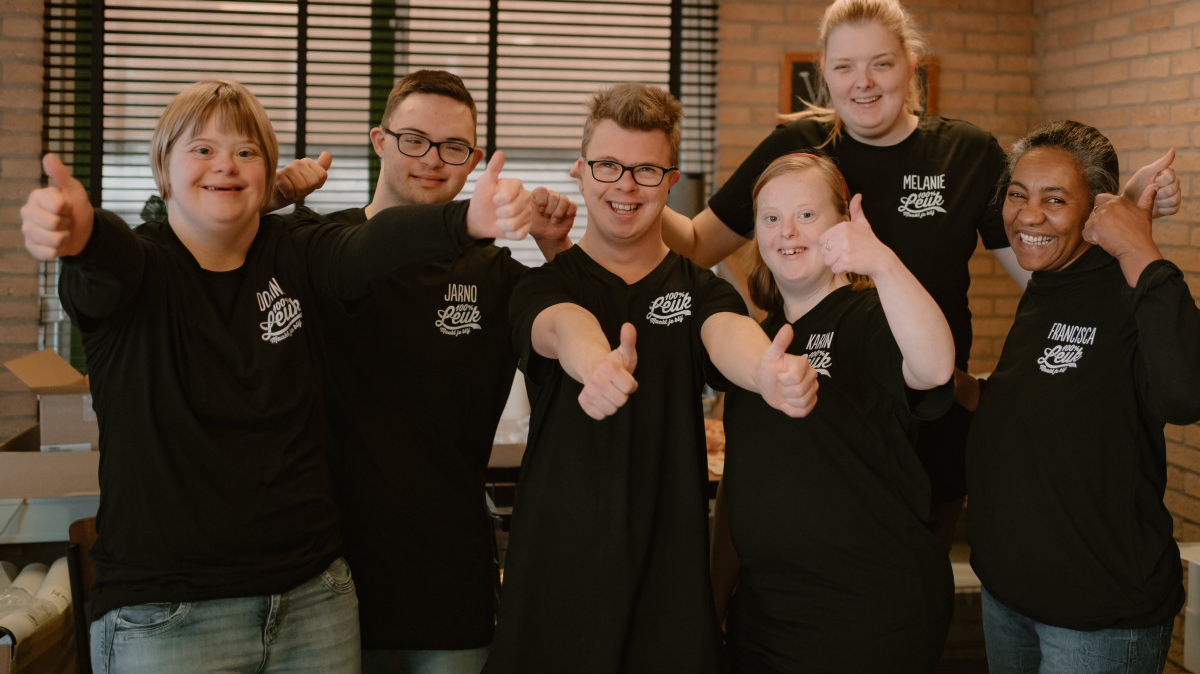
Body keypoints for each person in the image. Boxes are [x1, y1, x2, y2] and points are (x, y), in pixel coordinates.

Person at [19, 79, 532, 674]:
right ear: (162, 166)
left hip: (313, 601)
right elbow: (104, 262)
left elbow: (367, 246)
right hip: (172, 613)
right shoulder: (140, 267)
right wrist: (81, 235)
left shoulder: (293, 252)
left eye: (246, 152)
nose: (225, 164)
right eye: (202, 149)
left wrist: (466, 219)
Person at [661, 0, 1181, 546]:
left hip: (931, 420)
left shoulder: (966, 153)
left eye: (881, 64)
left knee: (910, 585)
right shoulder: (797, 146)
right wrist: (632, 189)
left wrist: (1114, 212)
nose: (863, 82)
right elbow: (695, 242)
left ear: (911, 67)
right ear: (824, 74)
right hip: (821, 418)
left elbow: (1049, 274)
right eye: (845, 66)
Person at [482, 83, 819, 674]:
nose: (626, 185)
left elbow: (727, 334)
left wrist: (765, 370)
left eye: (645, 170)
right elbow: (561, 326)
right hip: (556, 575)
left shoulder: (701, 288)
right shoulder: (543, 283)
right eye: (608, 166)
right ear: (581, 171)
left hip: (669, 580)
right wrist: (596, 364)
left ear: (670, 182)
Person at [280, 69, 574, 674]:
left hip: (450, 581)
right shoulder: (317, 246)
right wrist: (266, 196)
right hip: (324, 584)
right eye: (414, 140)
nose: (433, 159)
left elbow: (577, 340)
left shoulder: (495, 275)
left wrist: (557, 247)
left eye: (453, 147)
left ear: (474, 161)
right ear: (379, 140)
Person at [965, 120, 1200, 674]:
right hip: (1010, 597)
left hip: (1098, 620)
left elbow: (1185, 396)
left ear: (1096, 209)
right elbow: (1046, 399)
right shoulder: (1048, 283)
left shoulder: (1128, 285)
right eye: (1018, 195)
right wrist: (956, 385)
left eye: (1054, 199)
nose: (1028, 216)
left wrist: (1139, 244)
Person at [713, 153, 956, 673]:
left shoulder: (870, 317)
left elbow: (935, 369)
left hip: (867, 614)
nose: (787, 232)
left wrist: (883, 263)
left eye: (806, 214)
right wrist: (714, 598)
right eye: (771, 218)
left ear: (842, 223)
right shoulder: (756, 343)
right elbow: (741, 484)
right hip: (766, 617)